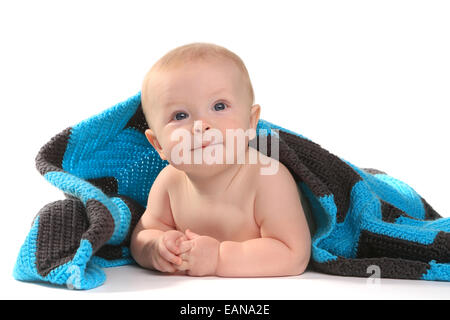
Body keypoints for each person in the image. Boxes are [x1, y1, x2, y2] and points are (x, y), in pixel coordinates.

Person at [130, 42, 311, 277]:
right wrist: (155, 248)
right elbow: (144, 233)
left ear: (250, 122)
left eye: (219, 106)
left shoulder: (268, 177)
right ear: (159, 145)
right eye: (180, 115)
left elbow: (293, 254)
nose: (201, 125)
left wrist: (219, 258)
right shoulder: (168, 183)